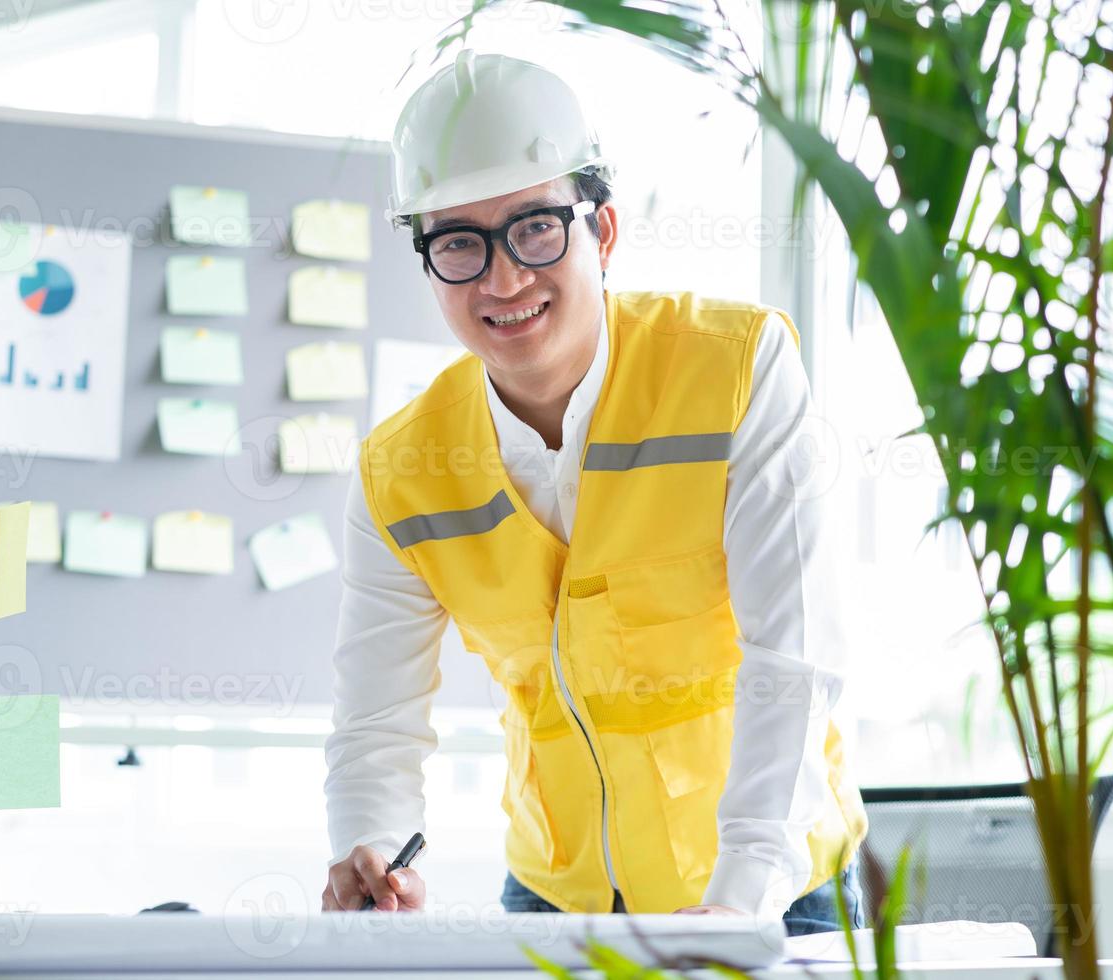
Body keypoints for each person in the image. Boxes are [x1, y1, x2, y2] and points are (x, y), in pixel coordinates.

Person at [321, 49, 868, 936]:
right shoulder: (400, 468)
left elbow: (792, 658)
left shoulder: (735, 370)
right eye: (459, 242)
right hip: (553, 899)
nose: (503, 279)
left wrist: (739, 897)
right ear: (427, 262)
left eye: (535, 227)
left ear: (602, 231)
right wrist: (371, 848)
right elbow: (377, 720)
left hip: (775, 891)